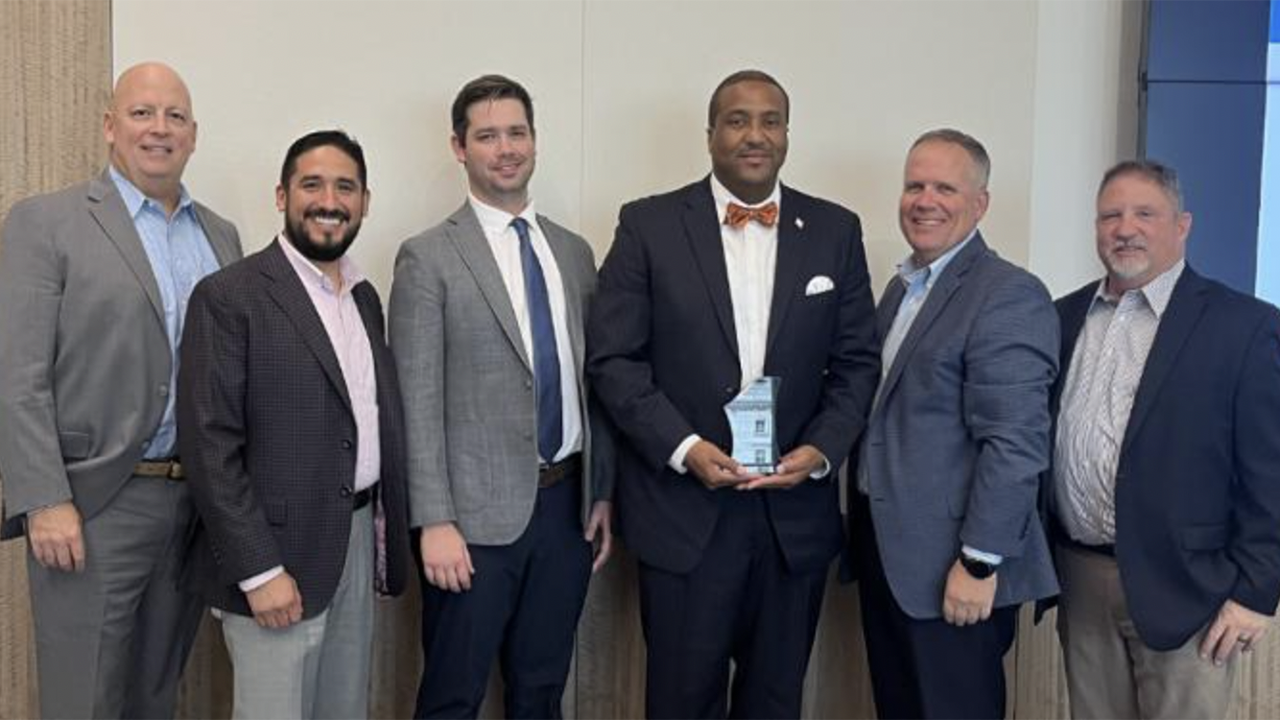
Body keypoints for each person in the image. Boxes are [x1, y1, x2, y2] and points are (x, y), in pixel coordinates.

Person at [586, 69, 880, 719]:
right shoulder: (648, 225)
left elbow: (858, 363)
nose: (755, 134)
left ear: (786, 134)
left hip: (792, 520)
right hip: (684, 515)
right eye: (738, 120)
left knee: (775, 704)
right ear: (711, 134)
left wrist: (821, 450)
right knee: (681, 703)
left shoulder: (835, 229)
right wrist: (684, 447)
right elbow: (614, 359)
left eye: (770, 120)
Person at [0, 61, 241, 719]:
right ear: (110, 127)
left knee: (155, 696)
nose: (158, 129)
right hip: (94, 503)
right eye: (141, 113)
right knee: (85, 700)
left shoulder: (221, 237)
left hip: (193, 505)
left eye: (175, 117)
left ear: (194, 135)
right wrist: (44, 498)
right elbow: (17, 376)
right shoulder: (45, 223)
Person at [388, 74, 614, 719]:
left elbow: (593, 382)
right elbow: (414, 400)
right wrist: (433, 522)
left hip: (566, 511)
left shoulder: (573, 253)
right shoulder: (427, 257)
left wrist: (600, 491)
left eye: (517, 132)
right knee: (453, 695)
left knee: (542, 690)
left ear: (535, 142)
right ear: (460, 148)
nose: (505, 148)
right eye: (487, 136)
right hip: (470, 523)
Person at [177, 129, 411, 719]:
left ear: (364, 201)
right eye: (312, 184)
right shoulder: (230, 297)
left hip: (354, 542)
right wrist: (259, 569)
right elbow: (210, 448)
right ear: (281, 195)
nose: (328, 200)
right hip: (274, 555)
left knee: (343, 709)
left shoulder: (364, 298)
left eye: (345, 186)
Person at [1048, 160, 1280, 719]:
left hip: (1189, 589)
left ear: (1182, 225)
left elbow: (1270, 472)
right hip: (1079, 579)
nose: (1125, 228)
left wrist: (1255, 592)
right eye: (1111, 215)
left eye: (1144, 213)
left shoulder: (1243, 327)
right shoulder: (1062, 316)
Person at [851, 128, 1059, 719]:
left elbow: (1015, 446)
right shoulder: (901, 289)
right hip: (890, 558)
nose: (925, 199)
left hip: (955, 572)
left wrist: (978, 562)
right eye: (915, 185)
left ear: (980, 204)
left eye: (945, 187)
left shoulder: (1007, 294)